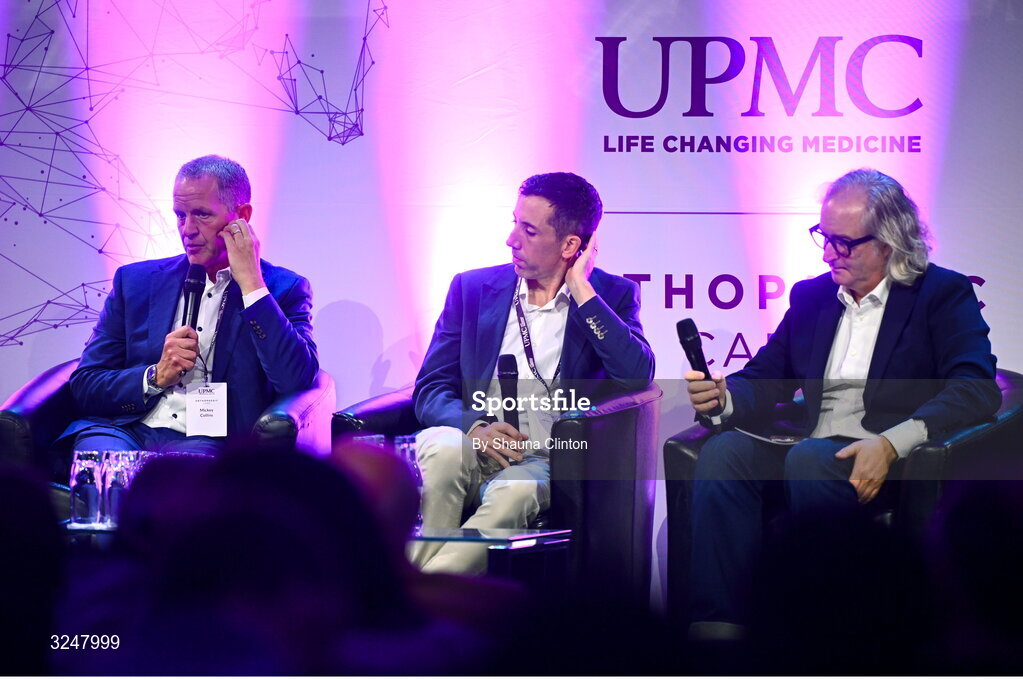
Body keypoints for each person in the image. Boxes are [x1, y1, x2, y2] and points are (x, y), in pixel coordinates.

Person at [684, 168, 1000, 638]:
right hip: (808, 445)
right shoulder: (813, 296)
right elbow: (766, 376)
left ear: (889, 243)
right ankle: (721, 628)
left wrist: (893, 443)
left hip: (887, 456)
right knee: (724, 451)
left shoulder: (941, 294)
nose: (830, 252)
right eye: (823, 237)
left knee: (811, 458)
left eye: (844, 242)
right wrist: (724, 398)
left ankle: (824, 635)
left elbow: (976, 386)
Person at [410, 171, 655, 574]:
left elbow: (636, 376)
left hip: (543, 459)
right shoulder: (472, 288)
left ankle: (427, 589)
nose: (511, 239)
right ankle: (413, 589)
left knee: (513, 494)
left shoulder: (611, 295)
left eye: (528, 230)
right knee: (442, 450)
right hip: (471, 440)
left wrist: (581, 290)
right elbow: (432, 386)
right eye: (514, 223)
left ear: (570, 245)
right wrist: (473, 426)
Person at [60, 155, 318, 458]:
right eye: (180, 215)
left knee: (181, 486)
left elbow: (295, 379)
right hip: (124, 429)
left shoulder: (283, 289)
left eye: (202, 215)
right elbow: (86, 383)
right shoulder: (135, 282)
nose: (188, 229)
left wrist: (251, 285)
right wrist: (154, 376)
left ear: (241, 216)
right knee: (103, 469)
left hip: (206, 441)